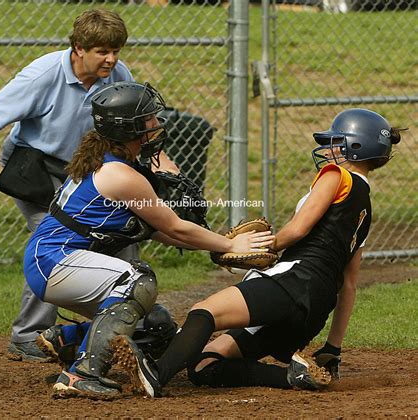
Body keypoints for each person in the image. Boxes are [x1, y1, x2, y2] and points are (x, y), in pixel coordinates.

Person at [109, 108, 404, 397]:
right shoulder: (365, 210)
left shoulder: (337, 175)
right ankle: (294, 376)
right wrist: (332, 347)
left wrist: (261, 246)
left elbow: (297, 230)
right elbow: (349, 285)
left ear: (355, 147)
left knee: (203, 311)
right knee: (205, 365)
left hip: (295, 281)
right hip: (314, 309)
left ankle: (155, 375)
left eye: (334, 142)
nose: (327, 149)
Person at [22, 81, 271, 399]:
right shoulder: (121, 176)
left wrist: (214, 244)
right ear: (130, 129)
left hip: (59, 260)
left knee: (158, 326)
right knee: (136, 280)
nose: (156, 124)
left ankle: (68, 339)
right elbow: (176, 227)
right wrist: (230, 245)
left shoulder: (116, 162)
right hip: (54, 260)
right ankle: (81, 373)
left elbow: (163, 232)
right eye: (149, 120)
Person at [0, 8, 177, 361]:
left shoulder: (118, 74)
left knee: (120, 237)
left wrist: (160, 163)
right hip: (37, 167)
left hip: (86, 172)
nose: (111, 59)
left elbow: (134, 124)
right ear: (78, 48)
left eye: (116, 51)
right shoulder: (44, 74)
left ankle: (114, 327)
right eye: (102, 51)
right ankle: (28, 334)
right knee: (54, 243)